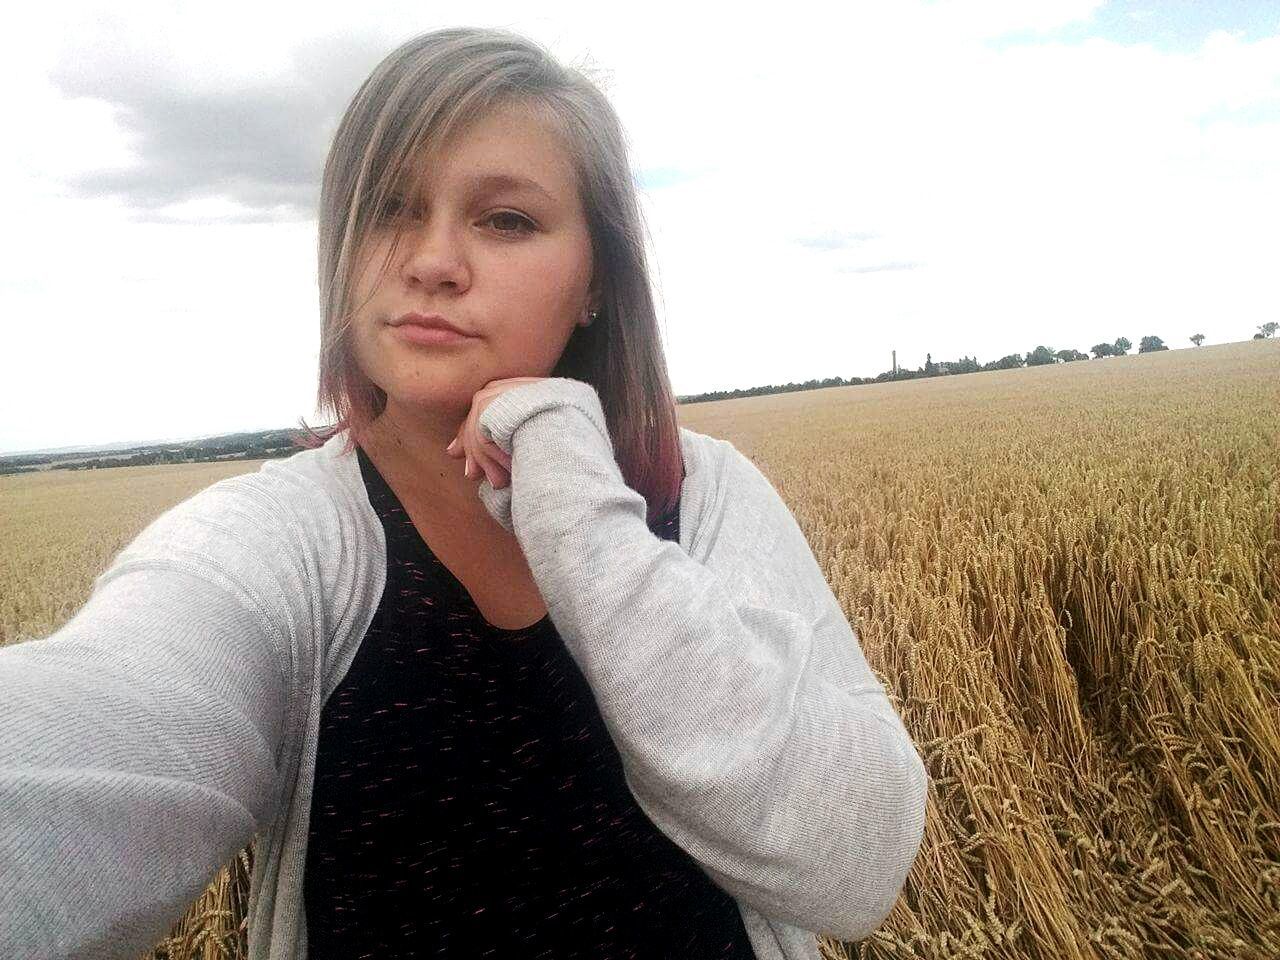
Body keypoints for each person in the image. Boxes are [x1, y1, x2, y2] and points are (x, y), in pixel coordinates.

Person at [0, 25, 929, 960]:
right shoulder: (273, 550)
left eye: (506, 220)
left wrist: (570, 484)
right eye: (389, 210)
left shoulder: (705, 494)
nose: (432, 261)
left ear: (596, 282)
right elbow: (86, 745)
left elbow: (853, 868)